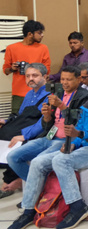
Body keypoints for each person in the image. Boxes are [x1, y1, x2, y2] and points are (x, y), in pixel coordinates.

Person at [6, 72, 88, 229]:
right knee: (38, 162)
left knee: (61, 161)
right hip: (82, 146)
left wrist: (80, 136)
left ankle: (78, 207)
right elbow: (79, 129)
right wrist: (72, 145)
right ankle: (28, 211)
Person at [6, 65, 88, 192]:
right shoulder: (59, 93)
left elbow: (79, 121)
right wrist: (46, 115)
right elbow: (47, 123)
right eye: (62, 79)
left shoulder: (85, 96)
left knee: (37, 161)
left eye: (68, 79)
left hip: (66, 139)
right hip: (49, 136)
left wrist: (61, 106)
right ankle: (44, 189)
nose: (64, 83)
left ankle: (37, 192)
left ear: (79, 79)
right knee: (12, 157)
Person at [0, 63, 50, 198]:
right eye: (28, 76)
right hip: (22, 127)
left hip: (38, 132)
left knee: (13, 141)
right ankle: (11, 178)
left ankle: (9, 181)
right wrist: (5, 121)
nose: (30, 79)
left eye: (35, 75)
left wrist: (24, 135)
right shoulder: (29, 94)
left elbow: (45, 122)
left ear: (45, 76)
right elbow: (20, 115)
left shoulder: (50, 95)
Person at [2, 20, 51, 113]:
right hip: (19, 92)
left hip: (38, 91)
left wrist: (35, 71)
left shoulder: (43, 48)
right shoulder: (11, 48)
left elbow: (47, 69)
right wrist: (12, 69)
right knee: (16, 118)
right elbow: (6, 70)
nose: (42, 35)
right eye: (39, 33)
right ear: (30, 34)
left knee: (36, 118)